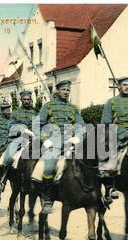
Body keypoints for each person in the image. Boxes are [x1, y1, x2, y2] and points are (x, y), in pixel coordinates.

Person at [33, 80, 85, 214]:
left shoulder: (73, 108)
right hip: (53, 143)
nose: (66, 92)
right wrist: (45, 140)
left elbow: (80, 125)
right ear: (57, 91)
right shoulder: (48, 106)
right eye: (63, 89)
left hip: (69, 143)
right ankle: (48, 199)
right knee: (49, 167)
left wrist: (77, 137)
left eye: (68, 90)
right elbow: (37, 125)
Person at [0, 91, 37, 192]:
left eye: (28, 99)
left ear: (31, 100)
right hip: (19, 138)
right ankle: (2, 180)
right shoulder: (15, 113)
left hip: (34, 137)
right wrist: (22, 129)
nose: (27, 101)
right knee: (9, 157)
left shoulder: (36, 112)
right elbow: (9, 126)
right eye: (24, 99)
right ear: (21, 100)